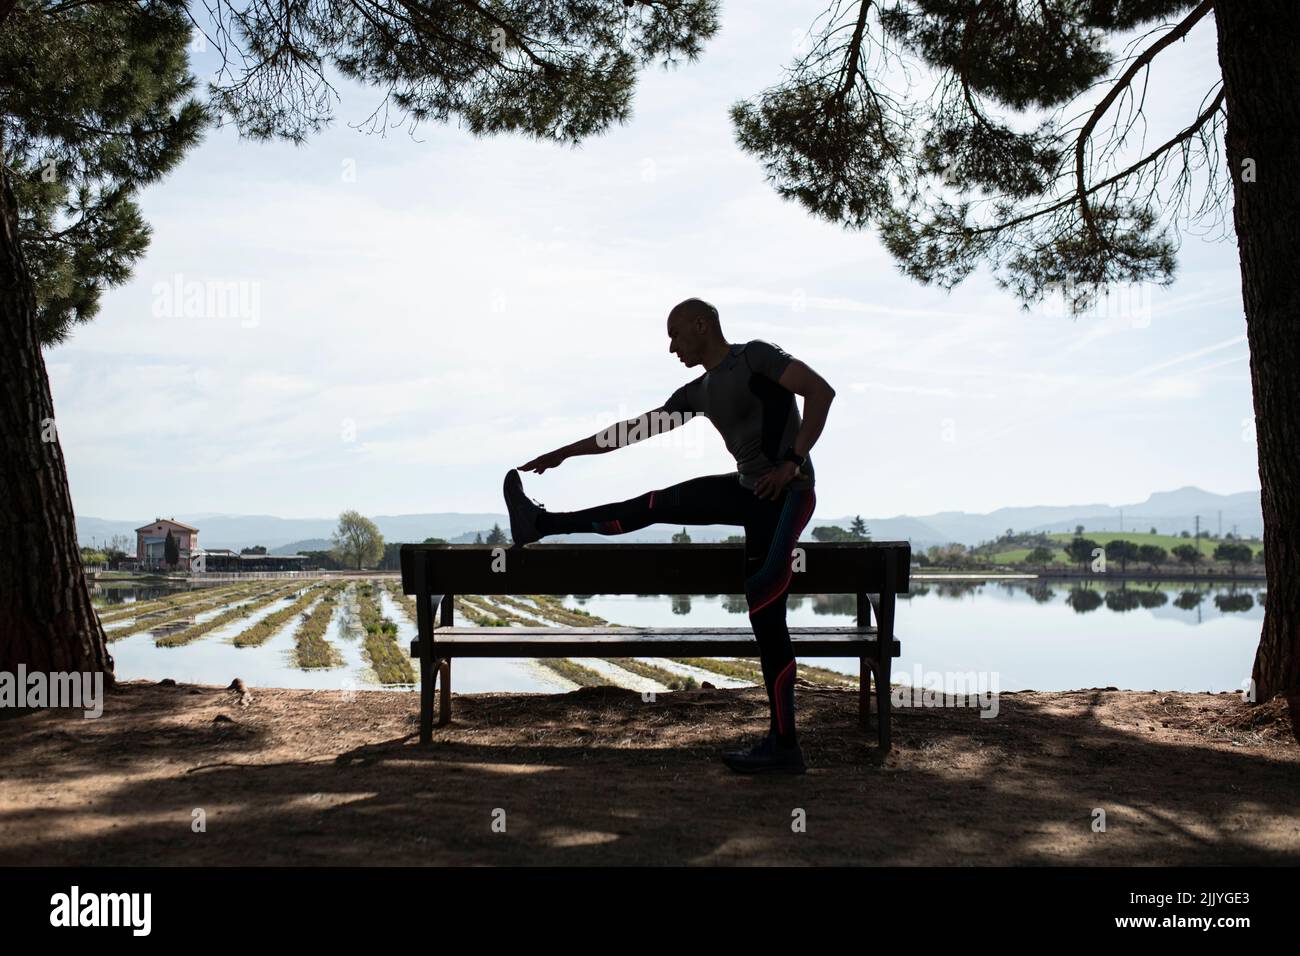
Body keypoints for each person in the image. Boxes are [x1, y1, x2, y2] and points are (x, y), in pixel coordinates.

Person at [503, 297, 835, 774]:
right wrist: (565, 453)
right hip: (746, 490)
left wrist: (792, 463)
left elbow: (820, 392)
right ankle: (539, 524)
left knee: (765, 610)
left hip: (787, 495)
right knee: (653, 504)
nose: (672, 346)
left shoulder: (757, 358)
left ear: (702, 325)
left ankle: (786, 746)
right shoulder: (698, 391)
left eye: (675, 335)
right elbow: (631, 432)